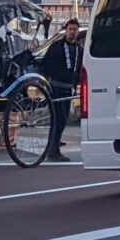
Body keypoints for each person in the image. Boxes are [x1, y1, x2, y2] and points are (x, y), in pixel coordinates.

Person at [34, 17, 86, 160]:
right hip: (55, 87)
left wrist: (76, 83)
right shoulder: (56, 47)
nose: (72, 32)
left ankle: (54, 146)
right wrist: (44, 83)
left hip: (68, 88)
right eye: (70, 29)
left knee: (63, 120)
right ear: (66, 30)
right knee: (58, 119)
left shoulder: (79, 49)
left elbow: (79, 68)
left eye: (75, 30)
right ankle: (53, 150)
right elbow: (46, 65)